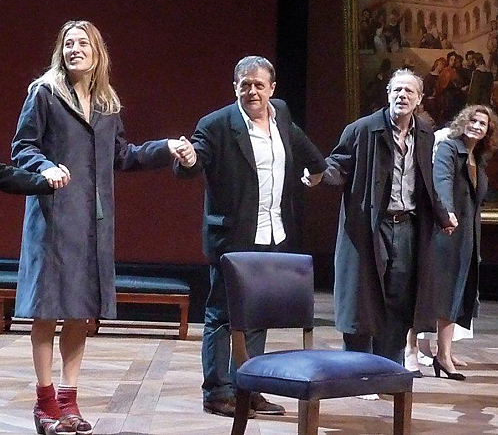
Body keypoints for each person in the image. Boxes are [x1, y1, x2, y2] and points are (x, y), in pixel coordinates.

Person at [11, 20, 195, 435]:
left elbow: (122, 156)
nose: (75, 49)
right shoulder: (44, 94)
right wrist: (44, 167)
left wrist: (165, 148)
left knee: (80, 313)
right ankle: (44, 403)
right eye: (68, 43)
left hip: (91, 225)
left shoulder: (107, 104)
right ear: (61, 51)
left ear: (97, 53)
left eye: (83, 43)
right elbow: (22, 147)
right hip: (52, 219)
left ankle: (68, 401)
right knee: (46, 311)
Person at [174, 55, 327, 417]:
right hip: (232, 237)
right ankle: (218, 392)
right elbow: (194, 163)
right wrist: (189, 158)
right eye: (245, 85)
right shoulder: (216, 124)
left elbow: (303, 148)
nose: (252, 91)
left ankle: (248, 387)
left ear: (272, 88)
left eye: (259, 85)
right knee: (222, 316)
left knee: (257, 315)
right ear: (235, 88)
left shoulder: (281, 113)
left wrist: (318, 169)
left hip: (273, 232)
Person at [323, 69, 455, 368]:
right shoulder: (362, 130)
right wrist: (321, 174)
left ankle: (387, 370)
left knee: (399, 300)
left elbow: (426, 182)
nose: (402, 95)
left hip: (407, 226)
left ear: (419, 99)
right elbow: (338, 166)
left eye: (409, 91)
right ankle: (356, 371)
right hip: (370, 228)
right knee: (362, 300)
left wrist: (442, 215)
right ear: (388, 94)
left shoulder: (424, 134)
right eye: (397, 90)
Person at [432, 105, 498, 380]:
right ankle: (432, 354)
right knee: (443, 293)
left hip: (467, 234)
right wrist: (446, 212)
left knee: (456, 293)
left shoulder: (477, 158)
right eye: (473, 120)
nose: (476, 126)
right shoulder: (449, 148)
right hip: (447, 231)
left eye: (482, 124)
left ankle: (444, 353)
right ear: (463, 121)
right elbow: (441, 180)